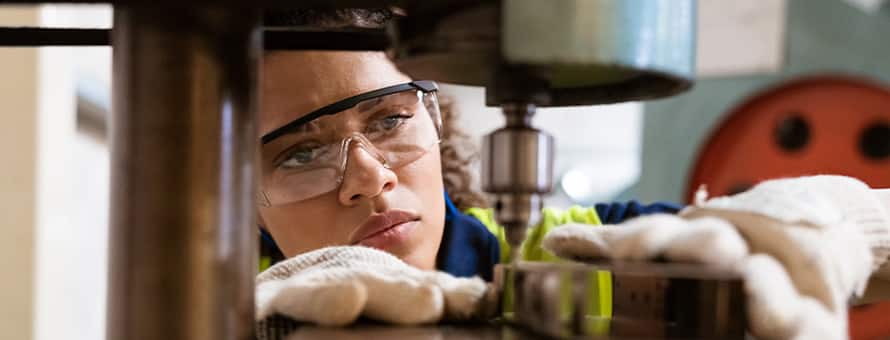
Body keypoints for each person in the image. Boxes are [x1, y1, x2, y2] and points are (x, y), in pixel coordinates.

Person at [254, 8, 890, 340]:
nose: (368, 178)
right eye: (299, 154)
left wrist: (831, 226)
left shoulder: (573, 250)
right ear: (233, 197)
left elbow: (742, 240)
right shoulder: (203, 303)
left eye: (390, 120)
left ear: (434, 115)